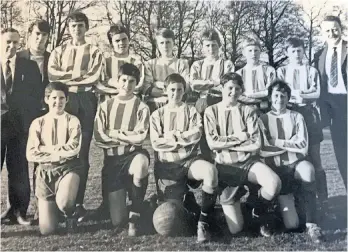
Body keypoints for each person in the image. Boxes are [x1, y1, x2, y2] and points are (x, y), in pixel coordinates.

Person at [204, 72, 281, 237]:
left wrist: (226, 143)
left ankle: (257, 211)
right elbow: (212, 143)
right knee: (236, 229)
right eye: (229, 88)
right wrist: (240, 138)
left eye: (237, 88)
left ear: (241, 90)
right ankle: (241, 207)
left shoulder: (248, 110)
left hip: (248, 163)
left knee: (274, 183)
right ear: (221, 88)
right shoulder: (211, 111)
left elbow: (256, 143)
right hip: (225, 168)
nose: (233, 91)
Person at [48, 11, 103, 221]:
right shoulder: (59, 50)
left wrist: (69, 77)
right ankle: (57, 202)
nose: (77, 29)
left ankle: (78, 203)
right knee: (61, 148)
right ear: (68, 28)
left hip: (86, 102)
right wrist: (77, 77)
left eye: (80, 25)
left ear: (86, 27)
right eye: (73, 26)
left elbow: (94, 77)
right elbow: (53, 74)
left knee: (82, 152)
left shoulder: (94, 51)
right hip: (65, 100)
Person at [150, 73, 218, 243]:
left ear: (184, 91)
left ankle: (203, 222)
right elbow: (157, 143)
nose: (175, 93)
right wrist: (181, 140)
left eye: (179, 90)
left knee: (210, 171)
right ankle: (186, 201)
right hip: (168, 167)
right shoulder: (157, 115)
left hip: (189, 162)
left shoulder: (191, 110)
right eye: (172, 90)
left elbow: (196, 134)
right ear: (165, 90)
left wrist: (173, 136)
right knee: (172, 218)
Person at [259, 80, 323, 243]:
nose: (279, 99)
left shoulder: (297, 116)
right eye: (276, 95)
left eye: (283, 95)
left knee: (308, 170)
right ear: (270, 97)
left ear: (288, 98)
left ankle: (312, 223)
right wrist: (290, 143)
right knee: (292, 224)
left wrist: (277, 142)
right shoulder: (263, 119)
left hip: (296, 164)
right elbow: (264, 148)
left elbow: (302, 146)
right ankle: (268, 211)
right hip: (277, 169)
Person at [93, 63, 150, 237]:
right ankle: (147, 205)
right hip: (112, 162)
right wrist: (128, 136)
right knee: (118, 221)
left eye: (132, 81)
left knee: (141, 164)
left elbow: (140, 137)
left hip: (133, 156)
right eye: (124, 80)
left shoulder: (142, 107)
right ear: (118, 81)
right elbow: (99, 137)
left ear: (137, 83)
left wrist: (116, 133)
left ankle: (136, 211)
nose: (127, 84)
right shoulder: (105, 106)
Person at [277, 37, 328, 215]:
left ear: (303, 51)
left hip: (308, 114)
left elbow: (317, 93)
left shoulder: (311, 70)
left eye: (299, 50)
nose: (296, 54)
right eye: (293, 51)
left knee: (315, 157)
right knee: (292, 155)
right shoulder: (282, 71)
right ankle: (298, 200)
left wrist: (303, 96)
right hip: (289, 114)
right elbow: (279, 92)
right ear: (287, 53)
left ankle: (323, 201)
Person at [1, 28, 44, 225]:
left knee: (19, 171)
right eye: (8, 42)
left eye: (15, 43)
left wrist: (30, 123)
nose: (11, 46)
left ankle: (19, 212)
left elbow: (36, 98)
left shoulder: (30, 66)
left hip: (20, 128)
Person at [26, 82, 82, 235]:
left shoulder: (73, 121)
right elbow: (31, 153)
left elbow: (73, 149)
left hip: (67, 168)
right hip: (45, 172)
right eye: (54, 98)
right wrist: (58, 150)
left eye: (62, 98)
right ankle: (54, 212)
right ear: (46, 99)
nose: (58, 102)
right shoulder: (37, 123)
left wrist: (45, 149)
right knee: (47, 230)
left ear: (67, 100)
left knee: (64, 203)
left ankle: (70, 212)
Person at [17, 19, 51, 223]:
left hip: (45, 117)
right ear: (29, 34)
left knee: (43, 162)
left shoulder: (52, 57)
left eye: (44, 35)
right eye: (37, 34)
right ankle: (19, 209)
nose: (40, 38)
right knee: (20, 164)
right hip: (21, 118)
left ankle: (42, 207)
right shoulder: (19, 55)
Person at [313, 15, 347, 189]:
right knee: (343, 158)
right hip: (335, 113)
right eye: (327, 30)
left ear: (341, 28)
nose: (332, 33)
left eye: (335, 29)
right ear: (322, 33)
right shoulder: (319, 55)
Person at [95, 23, 145, 104]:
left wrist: (112, 83)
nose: (121, 43)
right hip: (108, 104)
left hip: (131, 103)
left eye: (124, 39)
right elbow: (99, 86)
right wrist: (123, 88)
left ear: (129, 40)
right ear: (111, 44)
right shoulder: (105, 62)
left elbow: (139, 87)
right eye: (117, 41)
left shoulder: (137, 62)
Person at [143, 28, 190, 113]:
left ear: (173, 43)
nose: (165, 46)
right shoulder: (150, 64)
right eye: (162, 43)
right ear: (157, 45)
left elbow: (186, 87)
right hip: (155, 104)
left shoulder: (182, 63)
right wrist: (174, 90)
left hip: (176, 105)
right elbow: (147, 89)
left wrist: (156, 84)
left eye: (168, 42)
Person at [236, 37, 276, 113]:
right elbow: (238, 94)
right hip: (245, 108)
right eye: (250, 51)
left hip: (265, 107)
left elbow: (270, 91)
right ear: (244, 52)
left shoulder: (269, 70)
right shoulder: (239, 73)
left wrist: (250, 95)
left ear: (260, 51)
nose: (253, 54)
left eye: (256, 50)